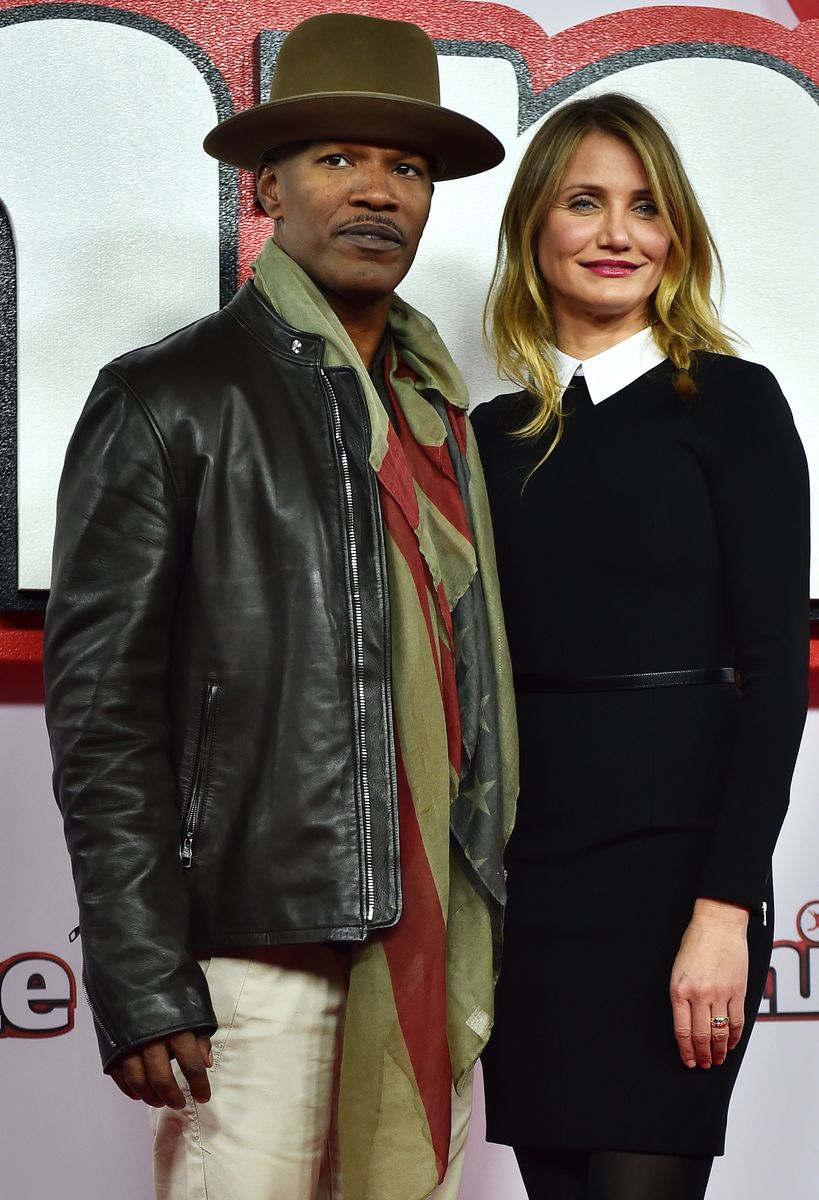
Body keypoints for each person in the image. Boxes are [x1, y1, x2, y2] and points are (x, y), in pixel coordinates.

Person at [43, 14, 517, 1200]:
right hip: (254, 956)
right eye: (337, 159)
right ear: (267, 188)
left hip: (426, 941)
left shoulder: (438, 423)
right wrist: (145, 973)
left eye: (406, 167)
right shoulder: (171, 395)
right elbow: (102, 715)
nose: (378, 192)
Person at [471, 93, 810, 1200]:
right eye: (585, 202)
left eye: (645, 207)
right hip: (532, 885)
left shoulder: (733, 404)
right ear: (535, 227)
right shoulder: (487, 436)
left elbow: (773, 677)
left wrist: (724, 911)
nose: (618, 234)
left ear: (677, 238)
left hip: (680, 883)